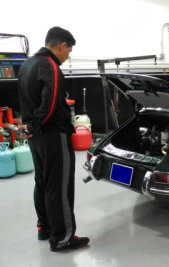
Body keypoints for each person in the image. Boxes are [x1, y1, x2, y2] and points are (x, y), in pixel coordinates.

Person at [17, 26, 89, 252]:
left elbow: (27, 101)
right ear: (61, 45)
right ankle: (62, 237)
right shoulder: (51, 66)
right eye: (69, 50)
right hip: (53, 134)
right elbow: (48, 106)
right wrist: (37, 124)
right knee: (59, 186)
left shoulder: (26, 65)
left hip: (35, 137)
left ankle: (45, 227)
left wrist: (30, 127)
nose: (68, 56)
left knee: (43, 182)